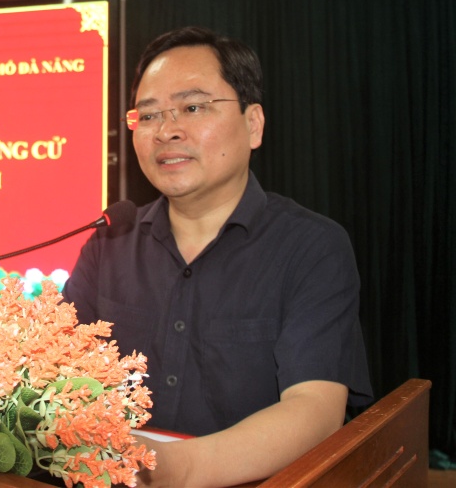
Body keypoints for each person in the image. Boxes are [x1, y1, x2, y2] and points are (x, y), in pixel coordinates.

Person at [62, 27, 373, 487]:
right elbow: (54, 377)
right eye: (147, 116)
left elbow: (316, 408)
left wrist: (181, 469)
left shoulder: (312, 248)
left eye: (192, 107)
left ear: (253, 125)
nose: (166, 130)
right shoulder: (109, 243)